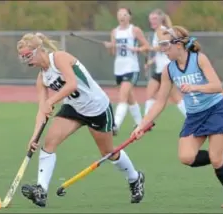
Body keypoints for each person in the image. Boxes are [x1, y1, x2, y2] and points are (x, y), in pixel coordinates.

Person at [17, 32, 145, 207]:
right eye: (23, 58)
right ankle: (41, 190)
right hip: (74, 108)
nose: (27, 61)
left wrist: (51, 101)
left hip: (97, 108)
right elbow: (42, 110)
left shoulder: (59, 58)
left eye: (28, 56)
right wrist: (34, 136)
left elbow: (72, 84)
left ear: (39, 49)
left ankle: (135, 178)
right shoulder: (42, 78)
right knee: (49, 143)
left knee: (108, 153)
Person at [131, 26, 223, 208]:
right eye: (161, 45)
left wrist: (195, 87)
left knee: (215, 161)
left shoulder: (199, 59)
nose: (163, 50)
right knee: (186, 157)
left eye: (166, 45)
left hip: (215, 110)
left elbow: (217, 86)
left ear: (179, 44)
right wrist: (142, 125)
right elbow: (160, 102)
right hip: (194, 116)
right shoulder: (169, 70)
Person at [104, 7, 150, 135]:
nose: (122, 17)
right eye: (119, 15)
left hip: (131, 67)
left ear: (129, 17)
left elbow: (147, 46)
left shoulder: (134, 30)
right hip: (119, 68)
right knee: (129, 97)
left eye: (124, 14)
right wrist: (109, 47)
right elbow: (113, 52)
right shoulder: (114, 32)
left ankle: (116, 125)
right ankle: (141, 123)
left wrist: (137, 49)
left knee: (122, 96)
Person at [144, 9, 186, 118]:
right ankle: (146, 122)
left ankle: (192, 118)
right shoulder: (157, 31)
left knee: (175, 97)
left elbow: (164, 46)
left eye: (155, 19)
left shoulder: (161, 31)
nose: (152, 21)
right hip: (160, 69)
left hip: (166, 69)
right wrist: (150, 62)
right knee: (150, 94)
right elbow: (161, 53)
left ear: (161, 19)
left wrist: (149, 48)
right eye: (151, 19)